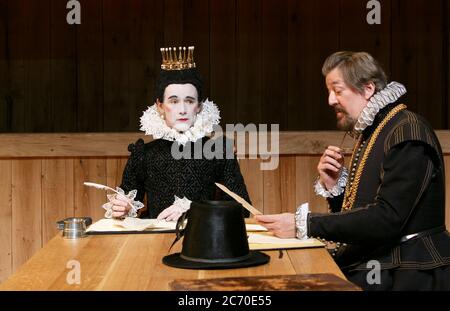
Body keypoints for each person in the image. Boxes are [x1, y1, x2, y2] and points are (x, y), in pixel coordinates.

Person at [256, 51, 450, 290]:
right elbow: (363, 218)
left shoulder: (407, 131)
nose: (330, 100)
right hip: (384, 265)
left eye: (338, 91)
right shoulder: (376, 128)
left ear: (368, 89)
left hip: (410, 273)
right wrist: (335, 187)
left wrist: (304, 224)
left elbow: (387, 219)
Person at [103, 46, 250, 221]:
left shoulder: (219, 152)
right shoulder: (143, 154)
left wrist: (195, 210)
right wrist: (123, 208)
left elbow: (242, 208)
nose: (182, 110)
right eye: (173, 101)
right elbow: (126, 202)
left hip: (203, 239)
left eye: (189, 101)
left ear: (199, 106)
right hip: (154, 242)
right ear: (160, 106)